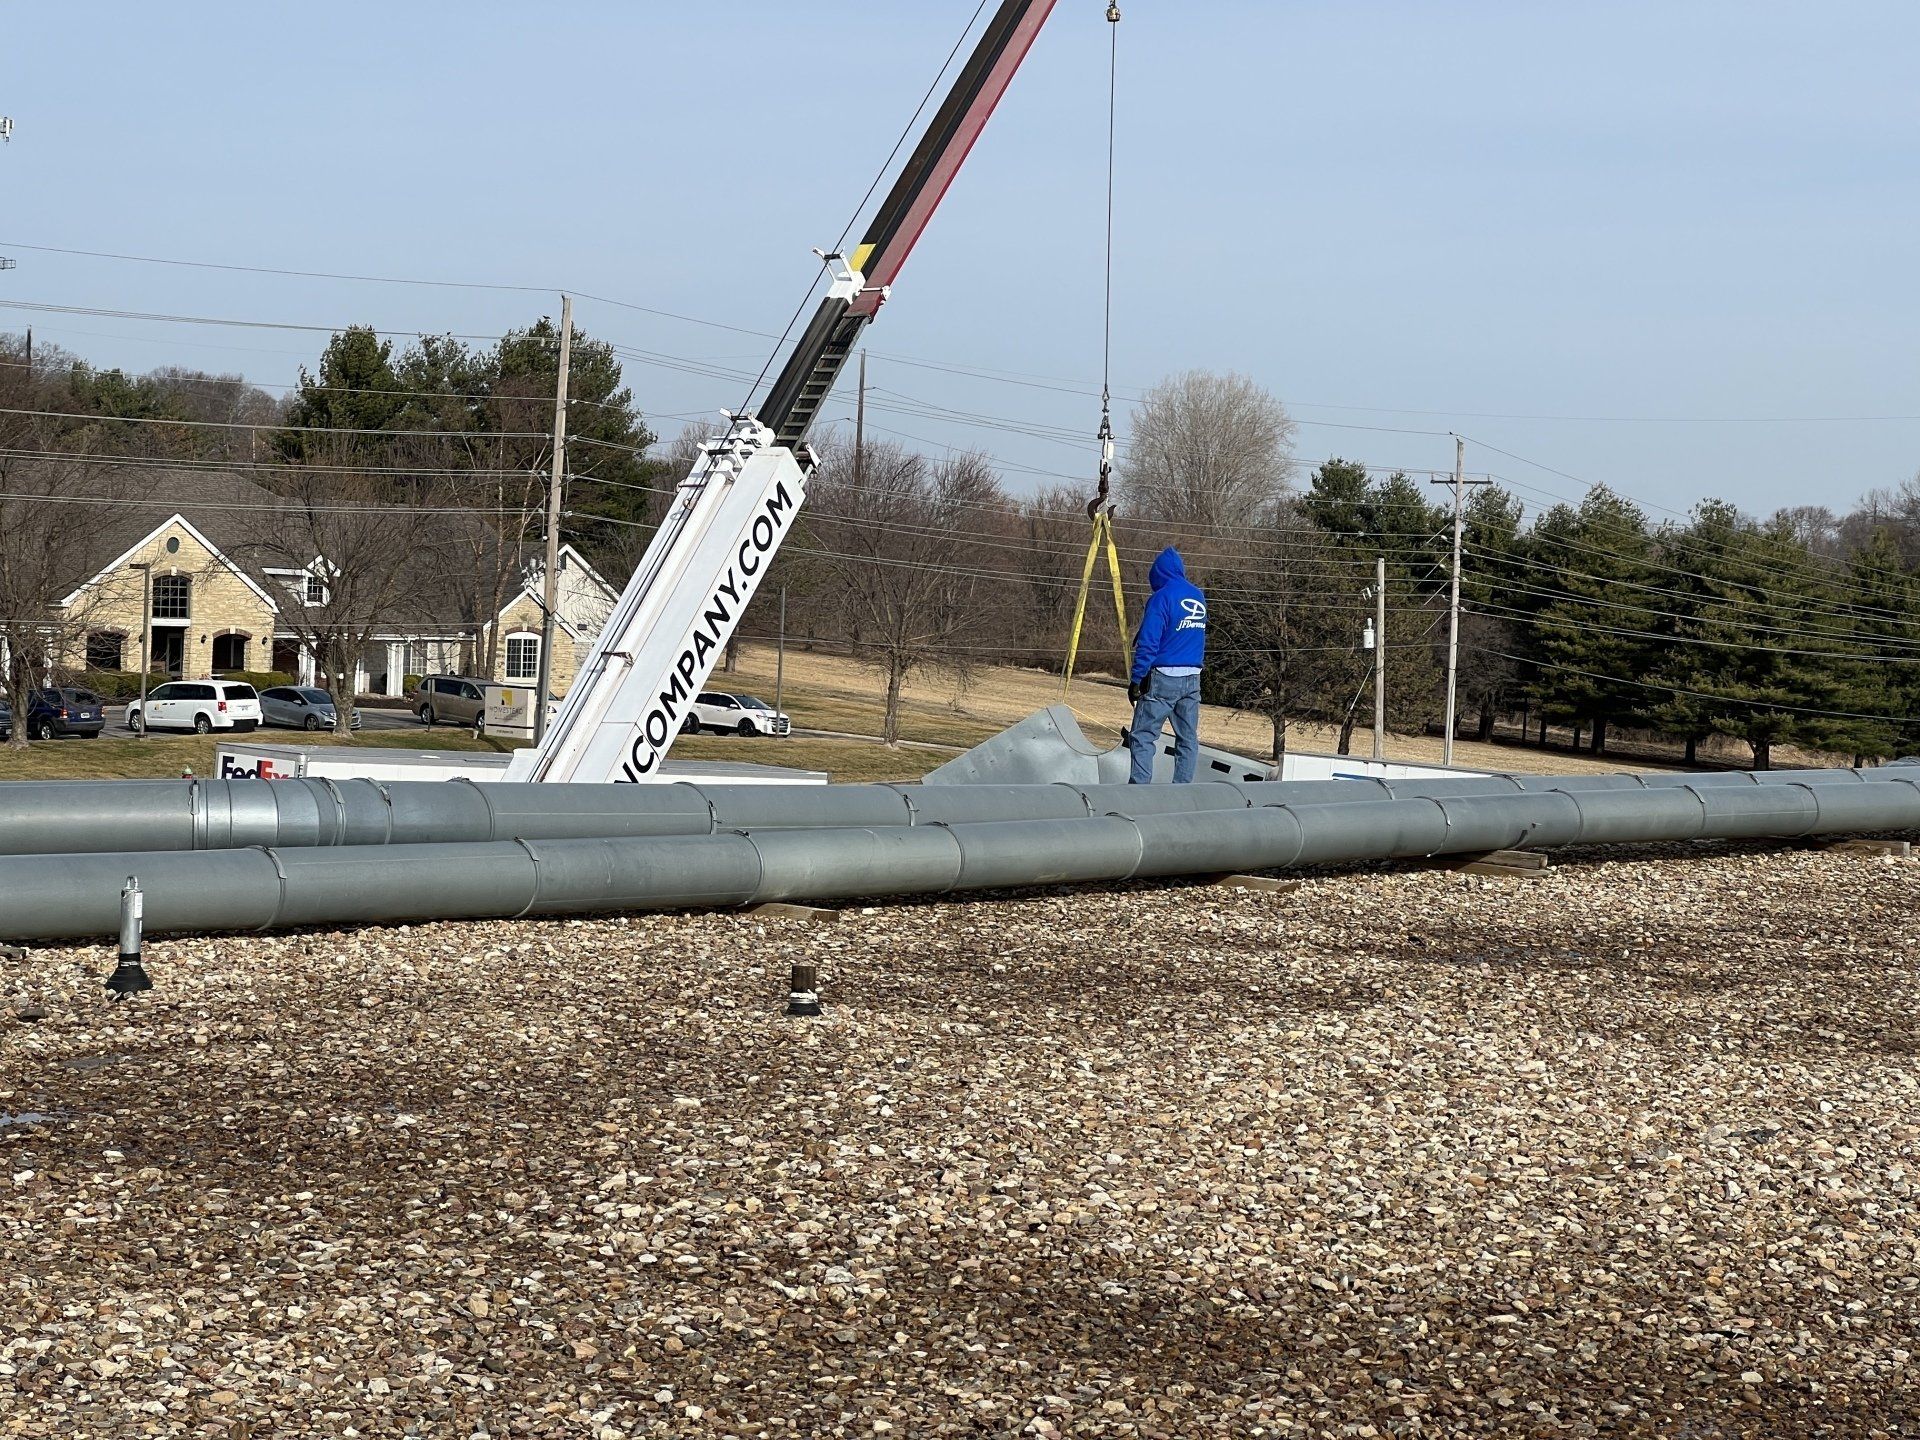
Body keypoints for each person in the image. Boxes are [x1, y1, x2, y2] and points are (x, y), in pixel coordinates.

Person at [1125, 546, 1207, 784]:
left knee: (1142, 736)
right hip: (1193, 677)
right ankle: (1181, 791)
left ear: (1158, 574)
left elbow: (1149, 642)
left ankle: (1139, 790)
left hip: (1163, 678)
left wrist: (1137, 679)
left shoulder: (1161, 598)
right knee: (1187, 739)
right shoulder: (1197, 596)